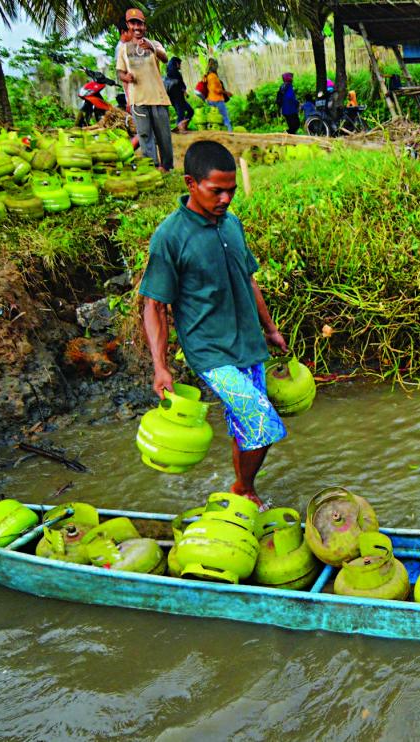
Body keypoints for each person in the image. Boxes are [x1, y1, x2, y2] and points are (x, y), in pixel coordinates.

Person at [139, 141, 288, 507]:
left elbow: (248, 279)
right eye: (216, 190)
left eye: (231, 191)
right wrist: (161, 367)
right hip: (210, 351)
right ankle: (242, 488)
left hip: (248, 342)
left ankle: (245, 488)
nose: (225, 199)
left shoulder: (232, 224)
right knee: (261, 421)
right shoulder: (170, 236)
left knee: (245, 426)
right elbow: (154, 305)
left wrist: (270, 329)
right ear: (191, 183)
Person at [116, 8, 173, 171]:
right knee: (145, 134)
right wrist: (126, 78)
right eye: (133, 23)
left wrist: (151, 48)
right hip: (137, 99)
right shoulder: (123, 49)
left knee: (163, 136)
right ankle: (151, 167)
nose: (137, 27)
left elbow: (165, 57)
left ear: (144, 26)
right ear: (128, 25)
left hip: (158, 96)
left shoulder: (154, 44)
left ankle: (166, 166)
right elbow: (120, 72)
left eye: (139, 24)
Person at [164, 57, 194, 133]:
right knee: (184, 112)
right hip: (178, 97)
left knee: (186, 111)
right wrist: (185, 92)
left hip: (172, 98)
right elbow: (180, 85)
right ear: (176, 63)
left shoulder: (168, 74)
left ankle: (182, 126)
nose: (180, 65)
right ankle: (181, 128)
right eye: (180, 63)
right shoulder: (176, 73)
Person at [204, 58, 233, 132]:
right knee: (225, 118)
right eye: (216, 65)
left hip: (210, 100)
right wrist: (226, 93)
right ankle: (230, 133)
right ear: (214, 66)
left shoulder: (206, 75)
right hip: (217, 100)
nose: (217, 67)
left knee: (214, 119)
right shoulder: (213, 76)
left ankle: (215, 133)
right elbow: (216, 90)